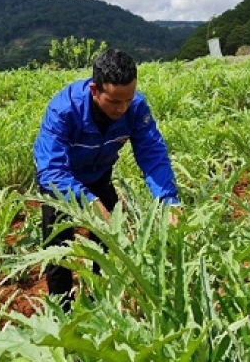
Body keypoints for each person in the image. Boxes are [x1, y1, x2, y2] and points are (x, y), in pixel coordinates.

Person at [32, 48, 179, 310]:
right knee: (58, 249)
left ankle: (103, 302)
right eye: (114, 102)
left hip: (99, 176)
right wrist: (86, 200)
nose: (122, 109)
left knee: (110, 238)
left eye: (128, 100)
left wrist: (167, 200)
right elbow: (50, 168)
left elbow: (152, 154)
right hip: (60, 183)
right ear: (94, 90)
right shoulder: (64, 109)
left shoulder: (135, 108)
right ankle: (63, 315)